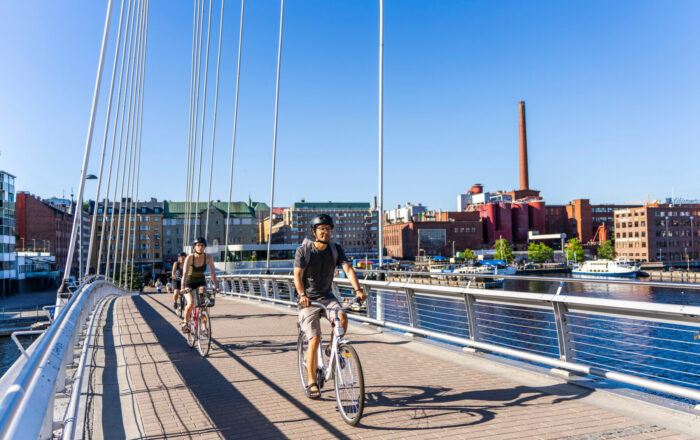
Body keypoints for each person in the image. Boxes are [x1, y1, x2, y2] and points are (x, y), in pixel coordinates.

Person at [294, 214, 367, 400]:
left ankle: (332, 348)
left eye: (328, 229)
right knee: (314, 339)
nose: (325, 232)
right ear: (314, 232)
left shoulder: (335, 249)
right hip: (308, 300)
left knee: (342, 317)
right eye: (321, 229)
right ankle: (312, 381)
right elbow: (297, 276)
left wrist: (358, 290)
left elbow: (348, 269)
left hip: (327, 297)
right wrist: (302, 295)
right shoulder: (303, 251)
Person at [181, 237, 220, 333]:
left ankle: (203, 327)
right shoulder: (190, 258)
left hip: (200, 282)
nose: (200, 247)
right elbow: (185, 273)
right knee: (191, 303)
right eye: (198, 245)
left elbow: (212, 273)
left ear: (205, 247)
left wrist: (217, 287)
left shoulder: (208, 257)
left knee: (204, 304)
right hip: (189, 282)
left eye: (202, 245)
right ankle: (185, 323)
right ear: (194, 247)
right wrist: (182, 288)